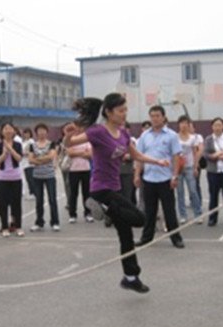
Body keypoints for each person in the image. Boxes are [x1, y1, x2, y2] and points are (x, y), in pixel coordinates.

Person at [64, 94, 171, 294]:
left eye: (125, 110)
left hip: (115, 188)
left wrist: (157, 162)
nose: (124, 114)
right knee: (140, 219)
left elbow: (136, 155)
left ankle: (131, 277)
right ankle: (97, 204)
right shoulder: (97, 132)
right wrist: (68, 135)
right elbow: (70, 144)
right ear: (108, 112)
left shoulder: (123, 134)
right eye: (121, 110)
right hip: (101, 189)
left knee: (126, 235)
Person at [134, 105, 185, 249]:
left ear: (163, 117)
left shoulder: (171, 135)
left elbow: (176, 157)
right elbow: (139, 157)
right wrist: (137, 175)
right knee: (149, 211)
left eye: (157, 116)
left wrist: (175, 175)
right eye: (152, 116)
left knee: (169, 211)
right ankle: (146, 237)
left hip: (165, 179)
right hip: (149, 178)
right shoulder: (145, 136)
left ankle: (176, 238)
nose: (155, 119)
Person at [0, 123, 24, 238]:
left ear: (14, 131)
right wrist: (5, 153)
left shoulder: (18, 144)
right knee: (3, 204)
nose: (8, 130)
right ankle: (4, 227)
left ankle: (18, 226)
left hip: (16, 177)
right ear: (2, 132)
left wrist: (10, 149)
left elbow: (19, 158)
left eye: (10, 128)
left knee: (17, 204)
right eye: (5, 129)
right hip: (2, 178)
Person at [29, 123, 60, 232]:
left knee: (52, 199)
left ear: (47, 132)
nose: (41, 132)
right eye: (39, 131)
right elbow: (30, 160)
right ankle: (39, 222)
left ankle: (55, 222)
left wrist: (38, 159)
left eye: (43, 130)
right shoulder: (33, 145)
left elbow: (51, 156)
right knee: (39, 200)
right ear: (36, 133)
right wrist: (43, 159)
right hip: (37, 176)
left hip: (49, 175)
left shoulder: (51, 143)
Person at [176, 115, 203, 224]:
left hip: (189, 167)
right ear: (179, 125)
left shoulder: (193, 138)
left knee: (193, 190)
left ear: (188, 125)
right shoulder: (175, 137)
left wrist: (195, 167)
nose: (183, 125)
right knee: (180, 192)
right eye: (181, 123)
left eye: (186, 123)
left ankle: (198, 214)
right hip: (178, 168)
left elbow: (195, 152)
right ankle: (183, 215)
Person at [67, 131, 93, 223]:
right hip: (73, 170)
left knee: (86, 193)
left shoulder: (87, 141)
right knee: (73, 193)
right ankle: (72, 214)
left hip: (86, 169)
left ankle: (88, 213)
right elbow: (70, 153)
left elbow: (90, 154)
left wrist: (76, 153)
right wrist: (83, 152)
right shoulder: (71, 141)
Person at [57, 124, 72, 210]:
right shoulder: (61, 140)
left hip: (73, 164)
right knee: (66, 184)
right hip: (64, 163)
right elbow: (60, 152)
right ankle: (69, 201)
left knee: (69, 183)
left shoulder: (75, 138)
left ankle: (71, 202)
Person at [21, 128, 35, 199]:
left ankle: (33, 193)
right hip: (24, 163)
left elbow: (32, 151)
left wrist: (24, 153)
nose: (26, 135)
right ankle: (31, 192)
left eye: (28, 133)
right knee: (27, 178)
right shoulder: (23, 142)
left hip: (30, 163)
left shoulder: (31, 141)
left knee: (31, 178)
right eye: (25, 133)